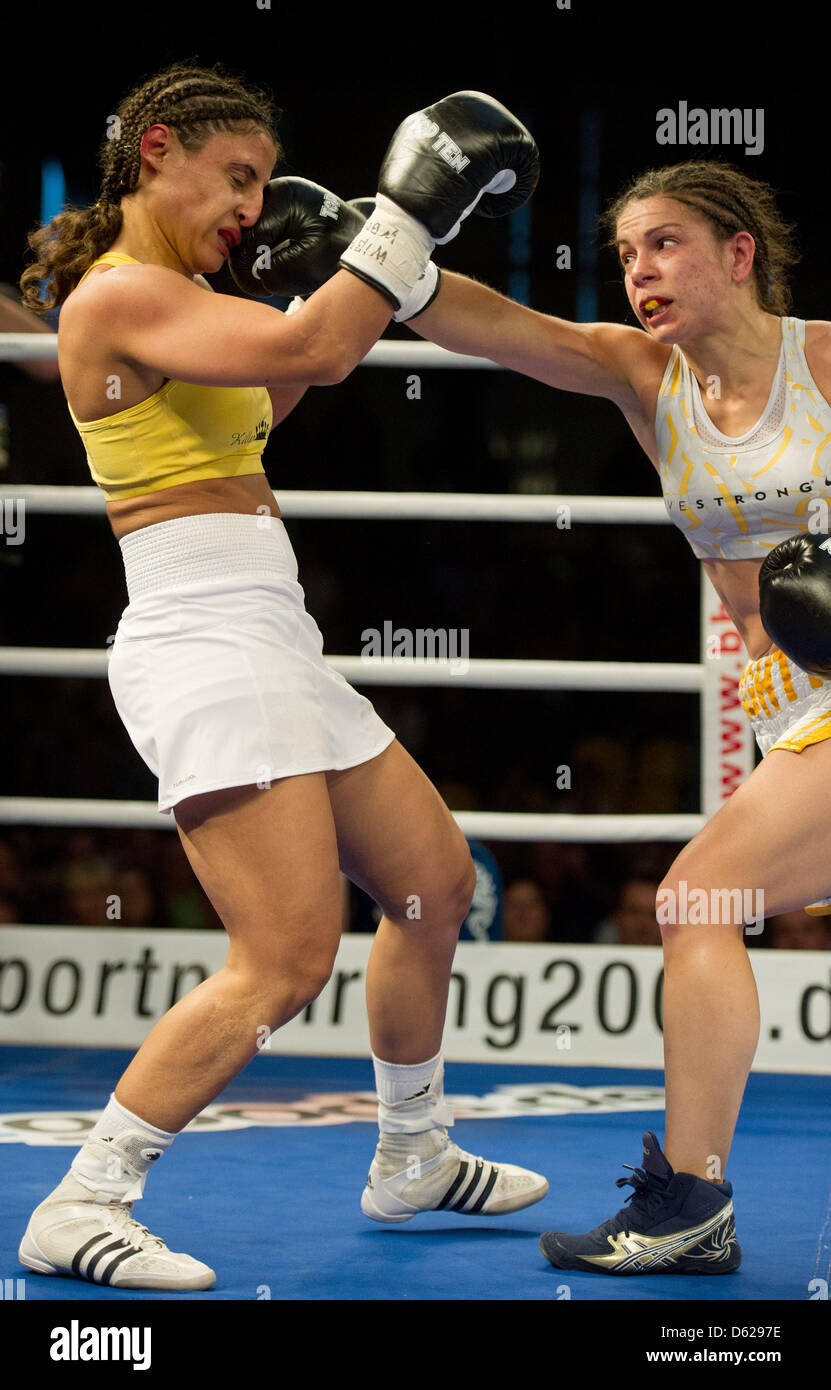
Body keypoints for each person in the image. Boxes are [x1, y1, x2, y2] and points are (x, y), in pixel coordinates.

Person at [16, 64, 547, 1292]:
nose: (253, 206)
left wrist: (336, 265)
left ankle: (412, 1151)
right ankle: (82, 1198)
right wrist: (406, 218)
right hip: (203, 641)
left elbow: (299, 374)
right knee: (285, 957)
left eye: (263, 183)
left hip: (272, 635)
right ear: (158, 151)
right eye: (238, 177)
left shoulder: (188, 300)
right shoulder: (122, 296)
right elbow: (316, 338)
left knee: (429, 881)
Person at [400, 157, 831, 1274]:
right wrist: (386, 234)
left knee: (697, 898)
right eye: (628, 253)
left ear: (740, 254)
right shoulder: (649, 377)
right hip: (788, 711)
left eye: (668, 243)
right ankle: (693, 1204)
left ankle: (691, 1204)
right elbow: (493, 324)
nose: (641, 270)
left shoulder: (826, 362)